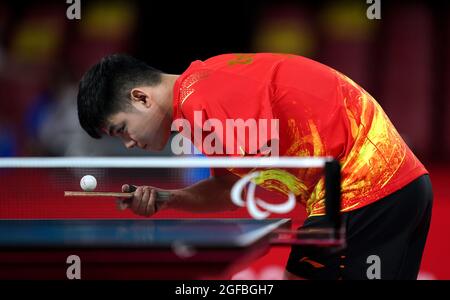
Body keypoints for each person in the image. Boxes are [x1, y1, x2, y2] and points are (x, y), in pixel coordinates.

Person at [77, 53, 433, 280]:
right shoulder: (199, 93)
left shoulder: (203, 103)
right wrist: (167, 199)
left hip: (365, 189)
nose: (128, 143)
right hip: (394, 188)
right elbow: (232, 190)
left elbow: (257, 187)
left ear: (141, 97)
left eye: (122, 129)